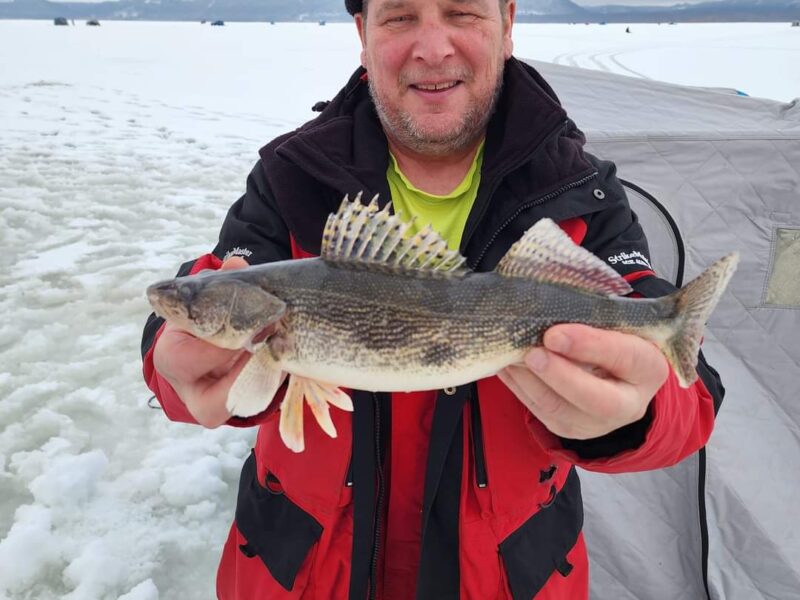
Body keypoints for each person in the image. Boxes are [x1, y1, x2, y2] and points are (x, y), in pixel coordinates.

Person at [141, 1, 724, 598]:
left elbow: (690, 391)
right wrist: (177, 364)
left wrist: (635, 413)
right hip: (303, 572)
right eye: (398, 17)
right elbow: (206, 307)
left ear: (508, 25)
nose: (433, 48)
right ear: (362, 33)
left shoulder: (582, 192)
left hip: (509, 576)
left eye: (462, 12)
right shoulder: (289, 179)